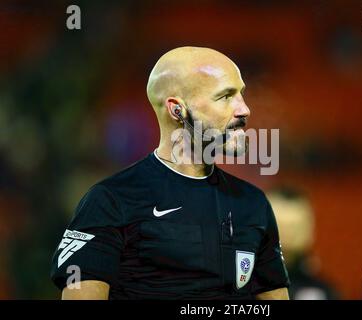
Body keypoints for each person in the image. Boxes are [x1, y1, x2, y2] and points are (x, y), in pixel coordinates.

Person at [50, 46, 290, 299]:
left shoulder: (253, 204)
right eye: (226, 96)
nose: (244, 109)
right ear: (177, 110)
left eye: (241, 94)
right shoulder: (111, 201)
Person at [268, 188, 338, 300]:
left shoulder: (322, 291)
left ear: (311, 229)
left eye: (295, 227)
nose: (287, 235)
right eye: (280, 225)